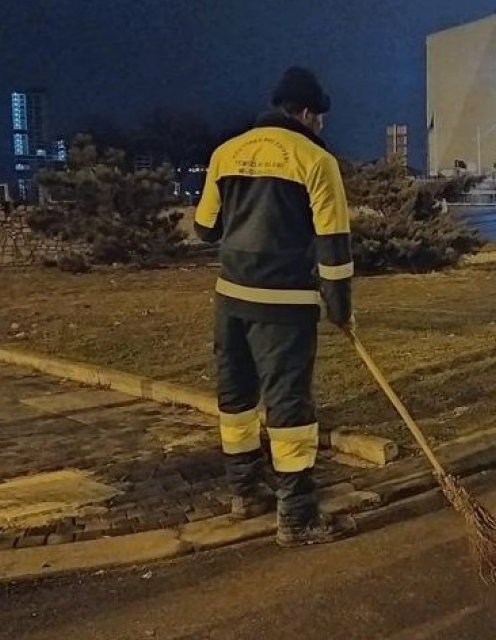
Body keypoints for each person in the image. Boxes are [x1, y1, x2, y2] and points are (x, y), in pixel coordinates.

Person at [194, 67, 355, 546]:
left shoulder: (226, 153)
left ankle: (245, 493)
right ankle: (297, 517)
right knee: (289, 407)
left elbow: (206, 229)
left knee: (237, 400)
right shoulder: (316, 160)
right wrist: (340, 308)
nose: (321, 125)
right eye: (319, 117)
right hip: (284, 306)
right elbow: (334, 248)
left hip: (231, 299)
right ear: (306, 113)